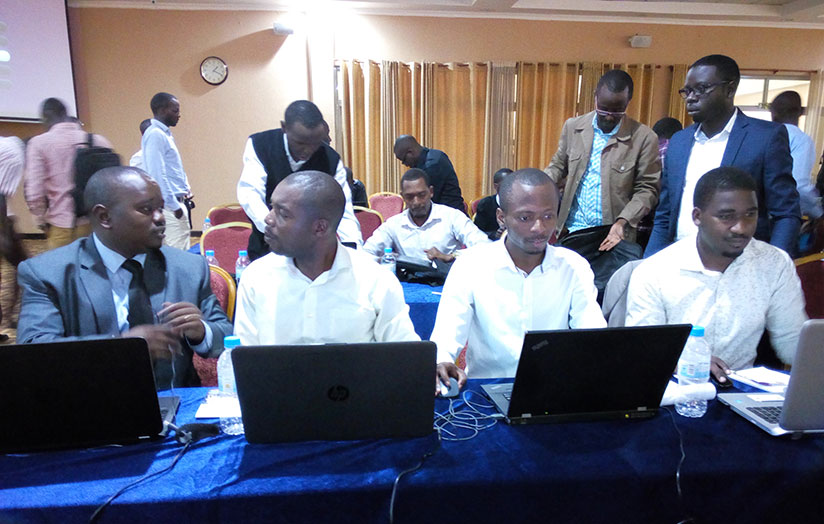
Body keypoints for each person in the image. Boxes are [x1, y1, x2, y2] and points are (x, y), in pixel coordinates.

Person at [17, 167, 232, 389]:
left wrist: (201, 331)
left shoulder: (188, 267)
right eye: (146, 209)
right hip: (87, 404)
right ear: (104, 217)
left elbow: (228, 336)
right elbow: (34, 351)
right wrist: (123, 348)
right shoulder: (47, 273)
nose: (160, 218)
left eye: (160, 208)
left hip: (176, 406)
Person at [626, 167, 807, 382]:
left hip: (739, 392)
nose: (741, 227)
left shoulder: (774, 264)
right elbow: (642, 352)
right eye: (726, 216)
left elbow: (792, 345)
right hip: (672, 393)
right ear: (697, 217)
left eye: (750, 214)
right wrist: (683, 361)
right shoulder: (655, 271)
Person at [432, 168, 607, 389]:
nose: (539, 228)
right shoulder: (471, 265)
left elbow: (592, 332)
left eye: (548, 216)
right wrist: (442, 359)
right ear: (501, 217)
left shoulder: (573, 266)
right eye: (525, 217)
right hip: (486, 389)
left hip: (552, 387)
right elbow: (448, 330)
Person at [234, 171, 419, 345]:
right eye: (271, 208)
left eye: (283, 214)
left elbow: (404, 356)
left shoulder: (376, 280)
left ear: (320, 228)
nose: (268, 219)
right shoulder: (256, 277)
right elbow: (243, 361)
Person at [646, 55, 801, 257]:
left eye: (701, 89)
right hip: (680, 260)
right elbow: (665, 214)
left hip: (741, 262)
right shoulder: (679, 142)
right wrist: (649, 261)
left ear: (730, 89)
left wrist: (775, 264)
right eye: (687, 91)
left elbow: (786, 213)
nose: (691, 97)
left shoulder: (765, 138)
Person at [545, 69, 661, 252]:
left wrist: (623, 222)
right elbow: (558, 166)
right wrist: (538, 185)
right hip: (571, 231)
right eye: (604, 108)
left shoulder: (644, 138)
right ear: (595, 97)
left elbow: (647, 189)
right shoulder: (573, 127)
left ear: (628, 102)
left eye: (617, 110)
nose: (608, 116)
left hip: (612, 235)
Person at [237, 100, 362, 261]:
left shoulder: (330, 159)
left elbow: (344, 209)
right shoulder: (260, 145)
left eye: (315, 143)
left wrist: (353, 249)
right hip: (267, 245)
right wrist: (275, 228)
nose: (308, 150)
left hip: (313, 254)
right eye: (300, 143)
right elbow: (250, 194)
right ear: (284, 128)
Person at [24, 98, 114, 251]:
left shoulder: (39, 144)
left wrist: (40, 217)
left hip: (61, 223)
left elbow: (34, 191)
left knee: (60, 271)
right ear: (66, 113)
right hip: (95, 222)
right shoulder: (98, 140)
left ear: (45, 117)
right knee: (94, 270)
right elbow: (114, 179)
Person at [363, 168, 489, 263]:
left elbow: (485, 246)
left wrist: (450, 256)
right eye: (410, 197)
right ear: (403, 196)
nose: (416, 202)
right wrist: (385, 260)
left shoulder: (452, 217)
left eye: (421, 195)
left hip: (447, 285)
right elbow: (366, 254)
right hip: (407, 288)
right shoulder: (393, 225)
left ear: (431, 192)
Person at [142, 92, 193, 250]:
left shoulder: (164, 134)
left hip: (176, 203)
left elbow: (172, 169)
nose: (179, 115)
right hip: (171, 207)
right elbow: (157, 174)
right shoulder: (156, 135)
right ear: (162, 110)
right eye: (175, 110)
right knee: (178, 256)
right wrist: (174, 206)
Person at [770, 90, 822, 220]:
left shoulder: (763, 135)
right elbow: (799, 186)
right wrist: (819, 213)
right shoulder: (801, 140)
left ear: (773, 113)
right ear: (800, 112)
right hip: (782, 216)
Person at [0, 136, 27, 339]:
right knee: (24, 265)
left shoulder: (7, 145)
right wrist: (4, 234)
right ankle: (9, 317)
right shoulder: (15, 156)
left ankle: (8, 317)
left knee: (23, 264)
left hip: (4, 220)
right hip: (2, 222)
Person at [393, 135, 464, 211]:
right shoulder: (435, 155)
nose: (404, 164)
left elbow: (422, 201)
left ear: (410, 152)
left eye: (403, 160)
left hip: (449, 216)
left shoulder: (432, 165)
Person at [473, 168, 512, 239]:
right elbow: (476, 232)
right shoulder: (485, 204)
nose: (511, 188)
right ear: (496, 186)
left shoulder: (521, 204)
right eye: (506, 184)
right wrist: (494, 235)